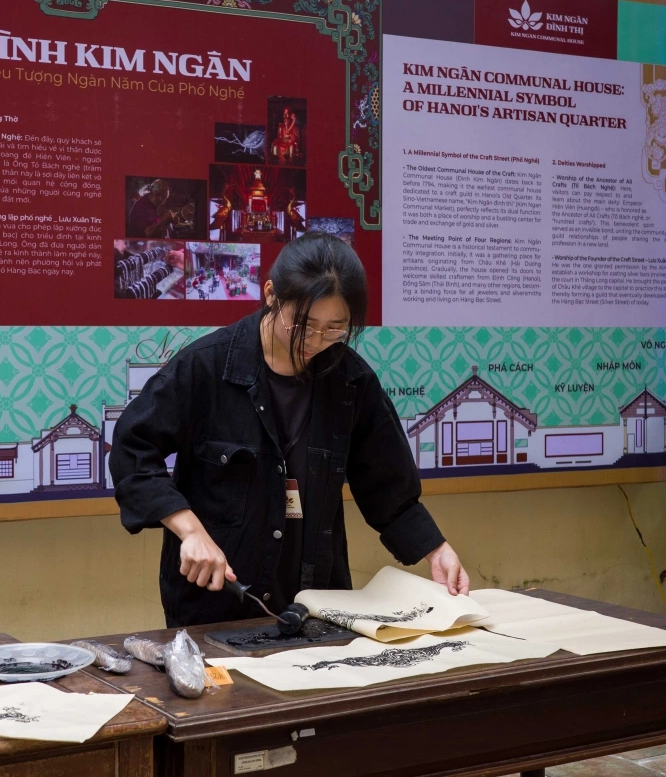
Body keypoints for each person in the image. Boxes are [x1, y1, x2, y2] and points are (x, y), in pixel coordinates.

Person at [110, 233, 469, 627]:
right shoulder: (205, 367)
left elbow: (388, 486)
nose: (316, 341)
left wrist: (437, 550)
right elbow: (132, 448)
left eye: (335, 328)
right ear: (271, 294)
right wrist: (190, 530)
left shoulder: (352, 382)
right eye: (303, 324)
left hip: (317, 601)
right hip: (219, 600)